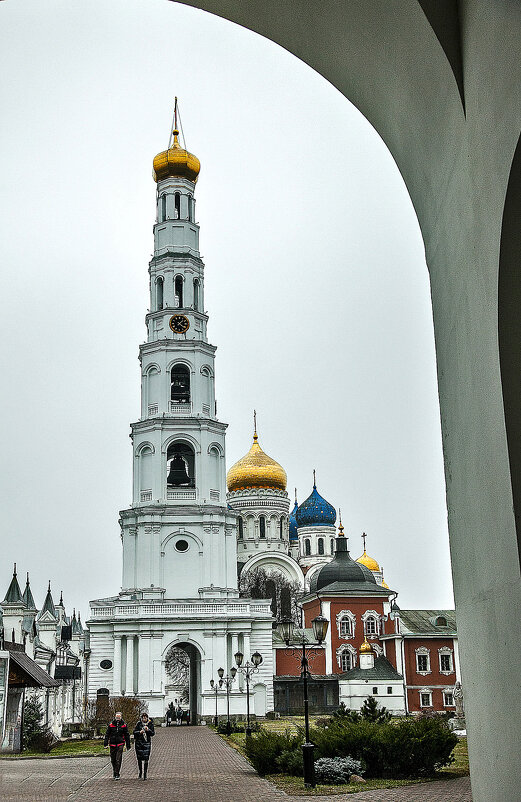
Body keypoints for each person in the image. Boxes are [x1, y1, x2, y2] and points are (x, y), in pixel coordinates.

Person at [104, 711, 130, 780]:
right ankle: (114, 771)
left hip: (120, 743)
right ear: (115, 717)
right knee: (113, 760)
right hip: (112, 744)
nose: (118, 718)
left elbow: (127, 735)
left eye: (119, 717)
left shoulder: (124, 725)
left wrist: (128, 744)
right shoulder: (111, 725)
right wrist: (105, 743)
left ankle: (117, 773)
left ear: (121, 717)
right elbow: (107, 734)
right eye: (116, 717)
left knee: (118, 759)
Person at [133, 712, 155, 780]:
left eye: (145, 717)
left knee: (146, 759)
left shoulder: (150, 724)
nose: (144, 719)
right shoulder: (138, 724)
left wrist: (148, 730)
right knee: (139, 759)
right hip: (139, 743)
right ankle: (140, 772)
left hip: (146, 743)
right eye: (143, 718)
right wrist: (140, 732)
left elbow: (153, 733)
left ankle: (145, 773)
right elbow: (134, 732)